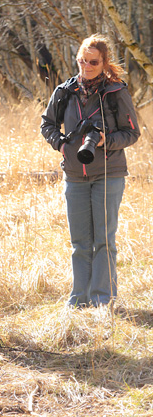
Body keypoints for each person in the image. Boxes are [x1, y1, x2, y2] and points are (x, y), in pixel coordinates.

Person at [41, 34, 139, 307]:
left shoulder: (115, 92)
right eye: (82, 60)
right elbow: (46, 124)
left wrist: (107, 140)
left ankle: (102, 300)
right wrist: (60, 144)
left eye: (93, 62)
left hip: (109, 173)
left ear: (104, 62)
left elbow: (132, 133)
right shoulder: (64, 91)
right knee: (79, 242)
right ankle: (79, 299)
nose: (86, 66)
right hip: (74, 175)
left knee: (104, 240)